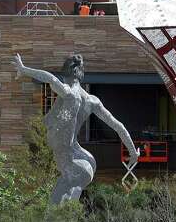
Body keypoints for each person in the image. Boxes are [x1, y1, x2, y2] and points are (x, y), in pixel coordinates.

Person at [13, 53, 140, 205]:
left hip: (67, 155)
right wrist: (133, 152)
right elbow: (118, 126)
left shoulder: (69, 92)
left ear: (67, 74)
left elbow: (51, 79)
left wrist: (24, 69)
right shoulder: (92, 101)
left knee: (59, 201)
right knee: (69, 192)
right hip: (80, 155)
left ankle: (64, 211)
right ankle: (68, 208)